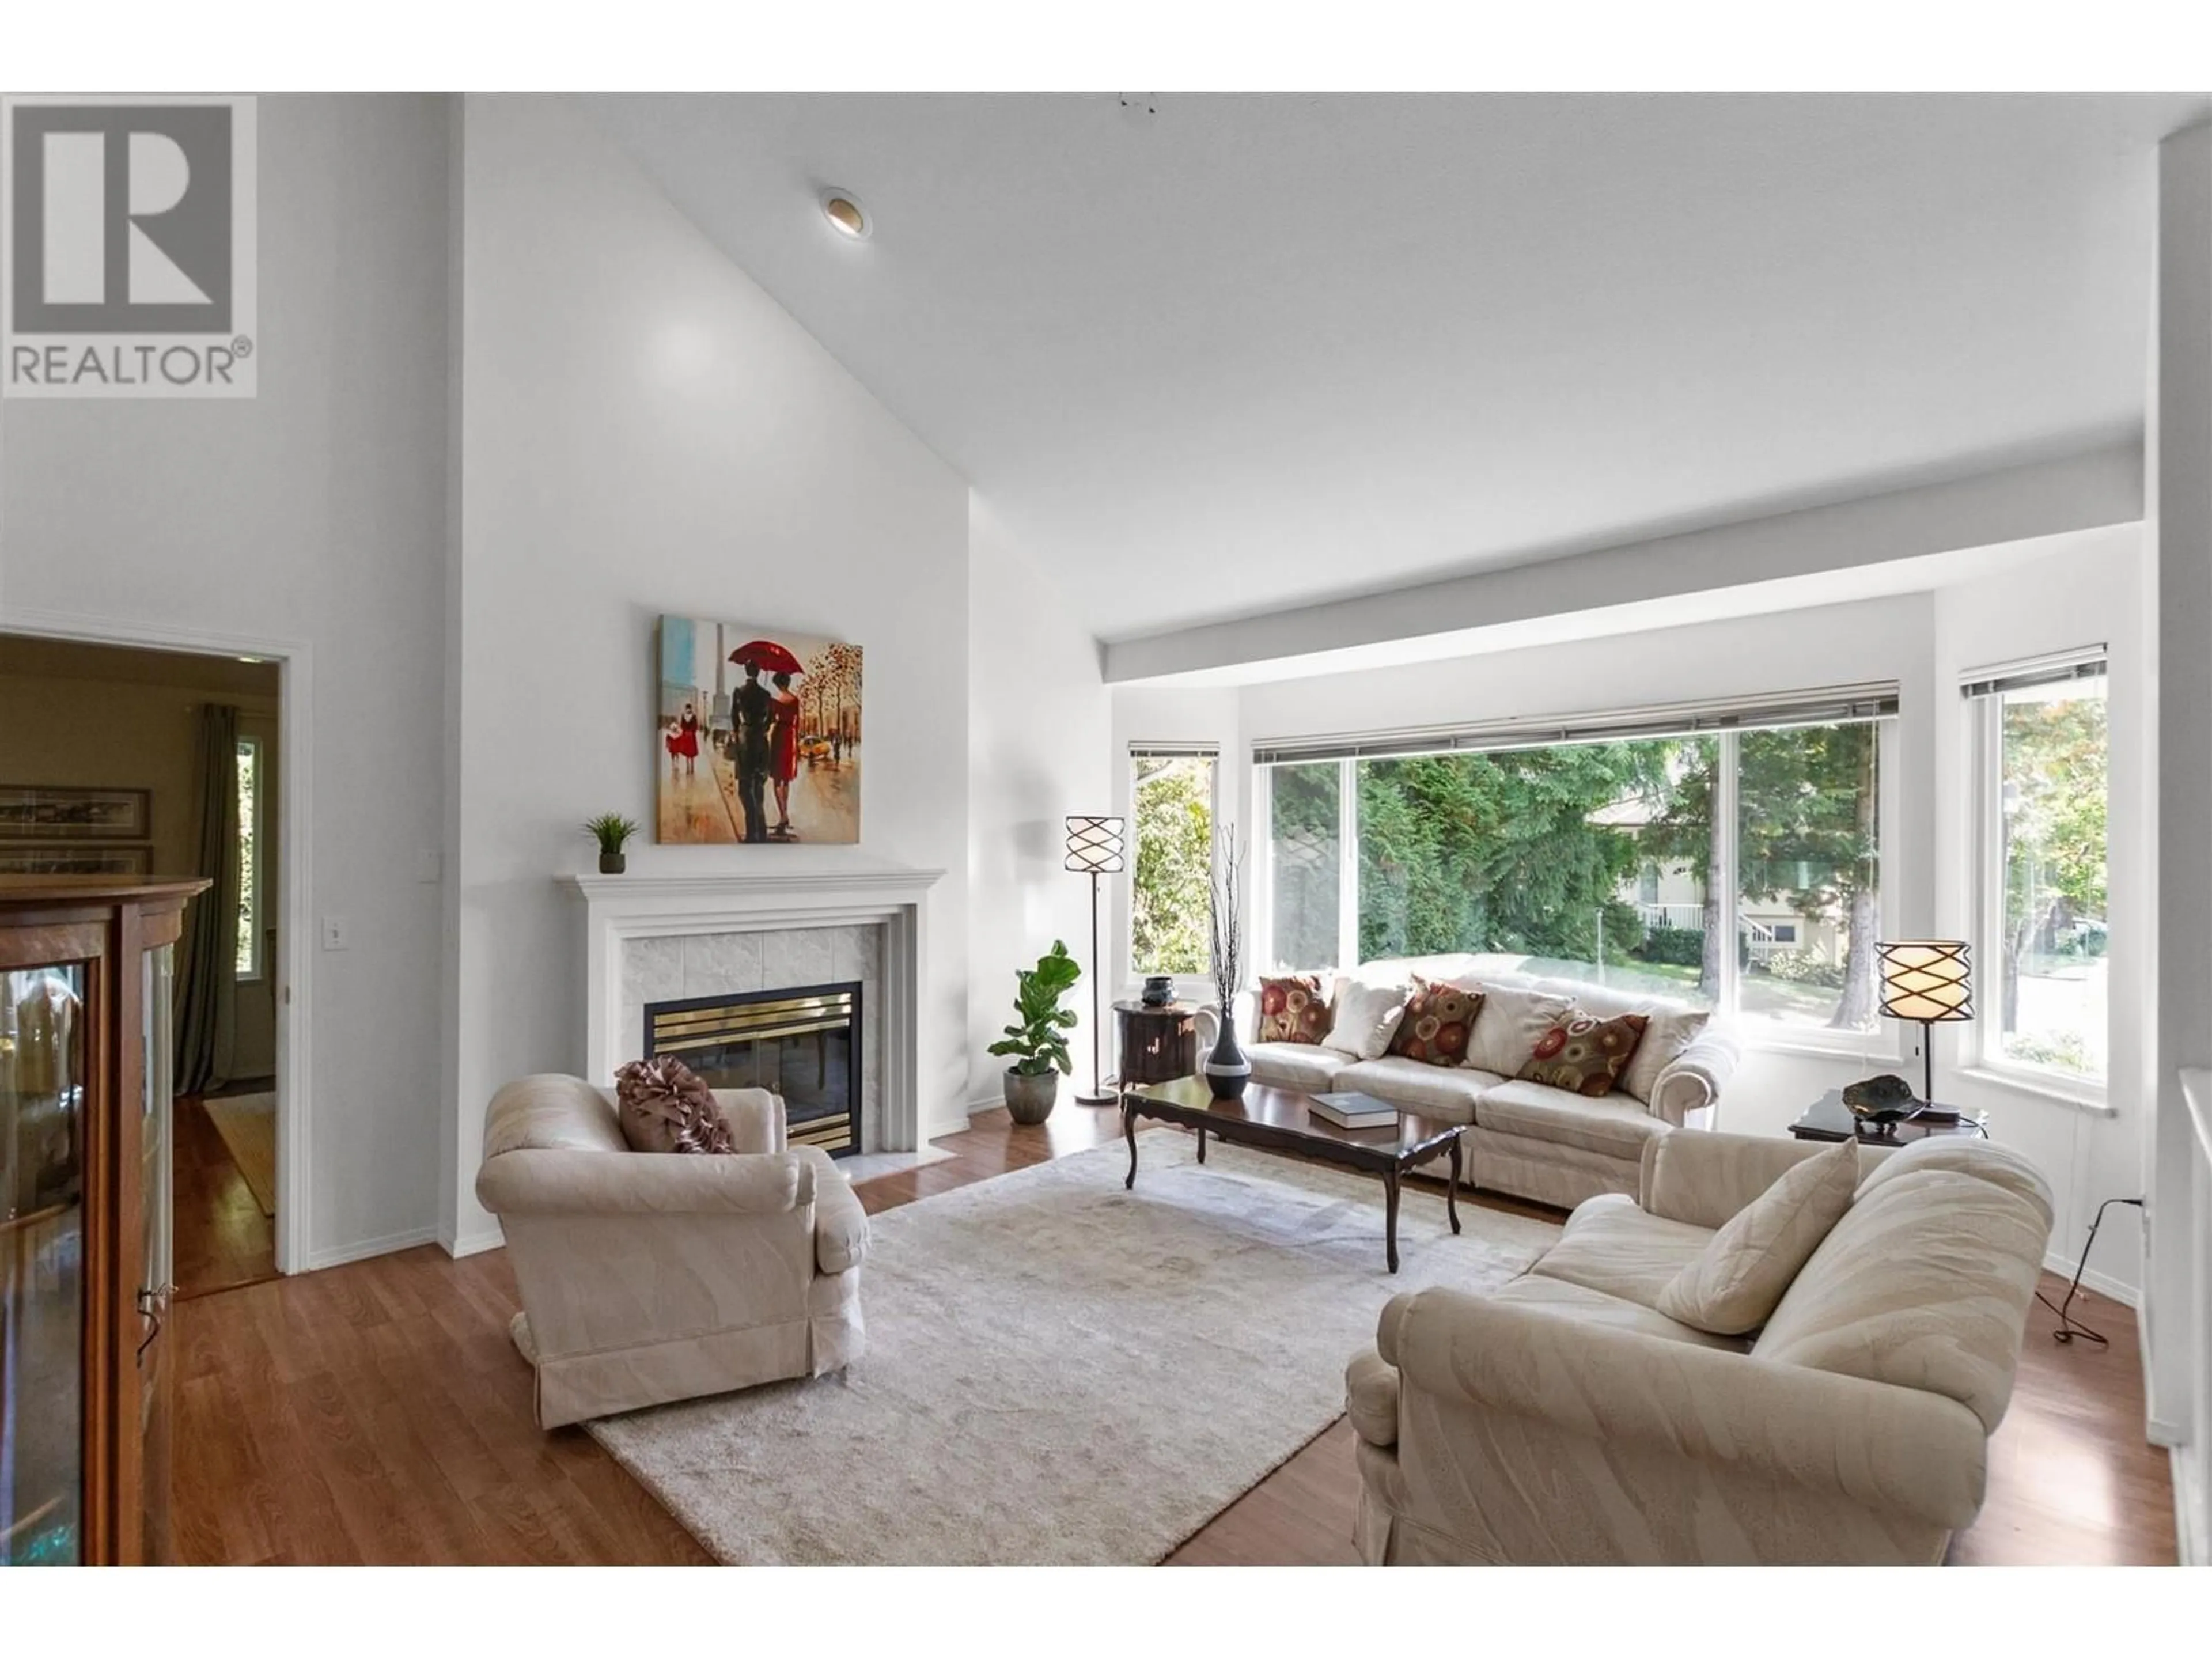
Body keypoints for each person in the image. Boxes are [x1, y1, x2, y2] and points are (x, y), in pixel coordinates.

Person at [730, 658, 772, 843]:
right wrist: (763, 728)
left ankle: (751, 832)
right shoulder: (766, 694)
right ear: (759, 671)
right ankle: (762, 832)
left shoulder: (739, 692)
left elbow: (734, 717)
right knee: (759, 788)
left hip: (746, 740)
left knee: (745, 789)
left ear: (746, 671)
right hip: (761, 741)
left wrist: (738, 732)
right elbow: (771, 719)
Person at [767, 671, 802, 838]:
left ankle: (783, 815)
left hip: (779, 736)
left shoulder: (775, 701)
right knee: (786, 778)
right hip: (790, 737)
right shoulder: (795, 700)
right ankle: (785, 812)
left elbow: (772, 719)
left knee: (776, 779)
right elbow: (798, 723)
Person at [665, 702, 700, 777]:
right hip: (686, 736)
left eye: (689, 708)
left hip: (692, 736)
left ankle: (692, 767)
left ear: (691, 709)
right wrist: (685, 731)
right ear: (686, 709)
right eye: (687, 709)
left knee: (692, 752)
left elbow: (695, 725)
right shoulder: (683, 716)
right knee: (688, 752)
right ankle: (688, 767)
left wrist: (691, 731)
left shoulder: (694, 717)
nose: (688, 710)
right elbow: (682, 725)